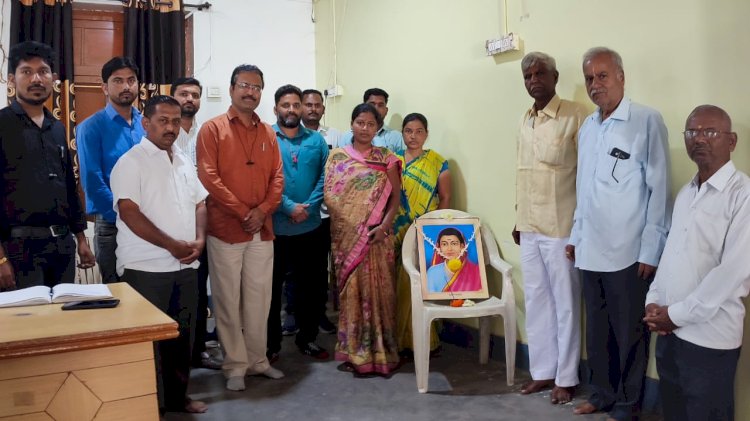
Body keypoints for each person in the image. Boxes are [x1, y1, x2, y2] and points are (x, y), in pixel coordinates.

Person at [568, 47, 671, 421]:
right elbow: (583, 189)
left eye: (603, 76)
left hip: (629, 251)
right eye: (589, 78)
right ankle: (602, 394)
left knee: (629, 334)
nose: (595, 84)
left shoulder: (646, 120)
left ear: (621, 77)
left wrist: (651, 249)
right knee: (597, 333)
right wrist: (575, 235)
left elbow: (660, 189)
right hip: (589, 249)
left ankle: (628, 405)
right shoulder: (588, 128)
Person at [644, 105, 750, 421]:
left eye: (710, 132)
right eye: (692, 132)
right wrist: (653, 300)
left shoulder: (743, 195)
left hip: (710, 339)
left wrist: (675, 315)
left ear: (731, 141)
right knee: (674, 412)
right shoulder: (686, 194)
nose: (699, 138)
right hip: (670, 335)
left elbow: (732, 272)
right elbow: (671, 254)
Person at [110, 95, 208, 414]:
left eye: (175, 121)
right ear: (146, 123)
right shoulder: (131, 162)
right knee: (149, 343)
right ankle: (151, 406)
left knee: (182, 337)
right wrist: (170, 245)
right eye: (163, 121)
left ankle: (178, 399)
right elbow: (129, 213)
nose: (170, 128)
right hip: (146, 268)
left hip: (186, 264)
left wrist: (199, 239)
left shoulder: (182, 160)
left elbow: (200, 203)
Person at [197, 64, 285, 392]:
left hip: (262, 229)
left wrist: (261, 212)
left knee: (259, 299)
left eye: (257, 87)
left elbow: (278, 177)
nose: (251, 92)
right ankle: (234, 365)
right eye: (245, 85)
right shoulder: (212, 129)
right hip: (226, 229)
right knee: (227, 300)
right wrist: (242, 211)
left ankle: (258, 360)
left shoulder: (268, 132)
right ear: (232, 88)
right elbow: (208, 176)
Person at [512, 52, 587, 404]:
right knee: (537, 300)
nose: (534, 80)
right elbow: (523, 173)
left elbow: (587, 176)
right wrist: (518, 217)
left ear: (555, 77)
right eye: (528, 76)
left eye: (540, 73)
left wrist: (581, 230)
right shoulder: (525, 119)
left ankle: (566, 377)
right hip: (529, 226)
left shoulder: (576, 115)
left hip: (562, 228)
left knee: (566, 303)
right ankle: (542, 371)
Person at [0, 41, 95, 290]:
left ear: (52, 78)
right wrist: (0, 259)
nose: (36, 79)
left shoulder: (57, 128)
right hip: (18, 250)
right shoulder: (3, 125)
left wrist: (81, 239)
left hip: (62, 247)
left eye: (43, 71)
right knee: (28, 316)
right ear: (12, 79)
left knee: (63, 313)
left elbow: (69, 186)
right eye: (27, 72)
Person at [325, 103, 401, 377]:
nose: (365, 128)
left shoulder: (387, 158)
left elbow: (395, 196)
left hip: (378, 238)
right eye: (360, 122)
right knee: (352, 294)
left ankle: (381, 352)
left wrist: (384, 226)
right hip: (348, 239)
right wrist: (356, 226)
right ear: (352, 124)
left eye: (371, 124)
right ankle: (353, 351)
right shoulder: (337, 157)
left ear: (377, 128)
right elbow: (331, 196)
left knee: (380, 293)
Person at [266, 85, 330, 362]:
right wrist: (289, 206)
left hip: (310, 227)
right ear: (276, 109)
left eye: (296, 105)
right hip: (275, 228)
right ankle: (271, 345)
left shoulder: (316, 141)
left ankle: (308, 338)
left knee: (311, 289)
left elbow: (326, 177)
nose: (291, 110)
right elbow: (263, 179)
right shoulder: (265, 137)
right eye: (286, 105)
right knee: (271, 290)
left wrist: (309, 206)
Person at [170, 76, 222, 371]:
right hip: (173, 224)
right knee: (174, 292)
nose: (189, 99)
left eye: (194, 94)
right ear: (173, 96)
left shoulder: (208, 133)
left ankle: (198, 349)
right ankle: (171, 353)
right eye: (183, 93)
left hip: (205, 223)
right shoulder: (165, 133)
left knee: (200, 290)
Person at [77, 56, 144, 283]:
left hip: (149, 220)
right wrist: (125, 216)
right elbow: (92, 181)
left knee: (147, 289)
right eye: (118, 80)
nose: (126, 86)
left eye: (131, 80)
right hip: (112, 223)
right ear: (104, 87)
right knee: (117, 291)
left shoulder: (147, 124)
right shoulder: (90, 127)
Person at [392, 112, 451, 354]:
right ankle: (397, 339)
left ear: (426, 134)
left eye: (419, 131)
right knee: (396, 283)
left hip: (424, 231)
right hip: (396, 231)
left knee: (418, 284)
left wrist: (434, 230)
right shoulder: (393, 160)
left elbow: (445, 197)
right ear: (402, 134)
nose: (413, 136)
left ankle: (421, 339)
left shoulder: (438, 162)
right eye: (408, 131)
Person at [336, 88, 405, 152]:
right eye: (372, 104)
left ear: (386, 110)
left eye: (380, 105)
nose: (376, 109)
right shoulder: (347, 137)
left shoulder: (397, 137)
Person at [425, 228, 481, 293]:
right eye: (444, 244)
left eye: (454, 244)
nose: (449, 249)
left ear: (462, 246)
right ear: (439, 248)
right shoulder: (432, 272)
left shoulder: (476, 271)